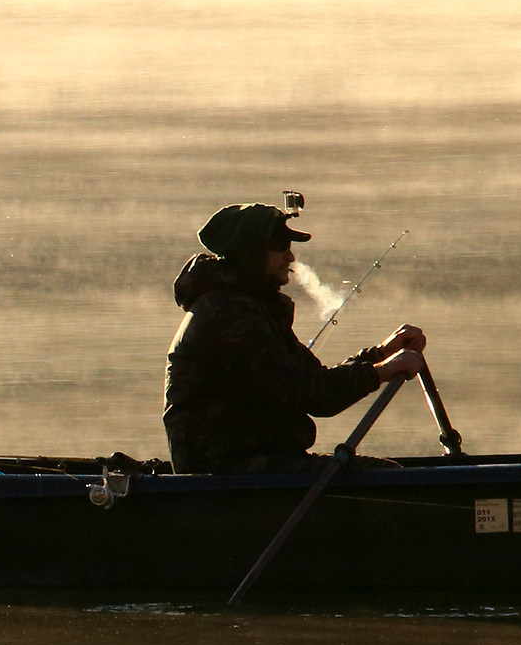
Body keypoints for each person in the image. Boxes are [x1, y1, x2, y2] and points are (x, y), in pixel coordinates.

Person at [163, 202, 428, 473]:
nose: (290, 257)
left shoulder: (251, 307)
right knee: (384, 480)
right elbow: (307, 393)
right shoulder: (229, 313)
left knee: (387, 475)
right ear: (250, 251)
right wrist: (383, 371)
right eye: (279, 246)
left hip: (255, 461)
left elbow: (313, 379)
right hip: (227, 473)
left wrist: (381, 354)